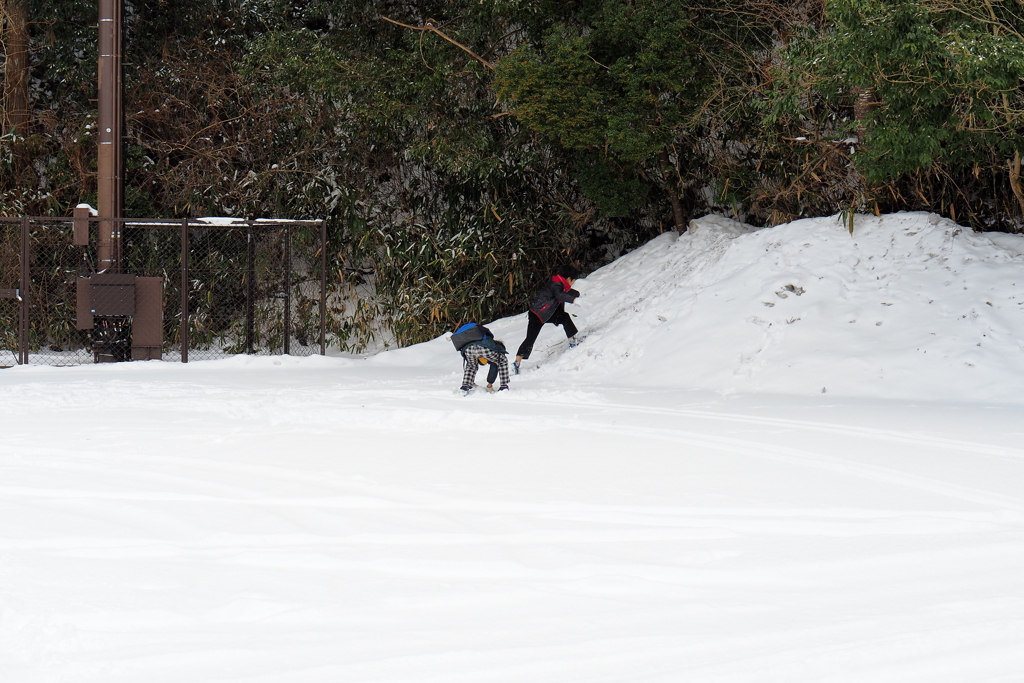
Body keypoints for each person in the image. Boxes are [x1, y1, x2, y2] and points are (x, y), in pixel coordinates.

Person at [514, 265, 581, 374]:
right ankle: (517, 362)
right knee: (530, 338)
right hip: (537, 314)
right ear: (569, 279)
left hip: (548, 313)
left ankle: (572, 340)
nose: (573, 283)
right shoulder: (556, 285)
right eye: (574, 280)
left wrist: (576, 294)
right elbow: (559, 295)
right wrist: (573, 300)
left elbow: (565, 292)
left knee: (564, 317)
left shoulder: (560, 283)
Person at [454, 324, 510, 393]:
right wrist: (490, 383)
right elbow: (495, 364)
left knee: (471, 366)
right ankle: (504, 386)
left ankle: (465, 386)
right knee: (502, 360)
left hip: (468, 349)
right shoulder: (493, 345)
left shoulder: (476, 334)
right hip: (483, 348)